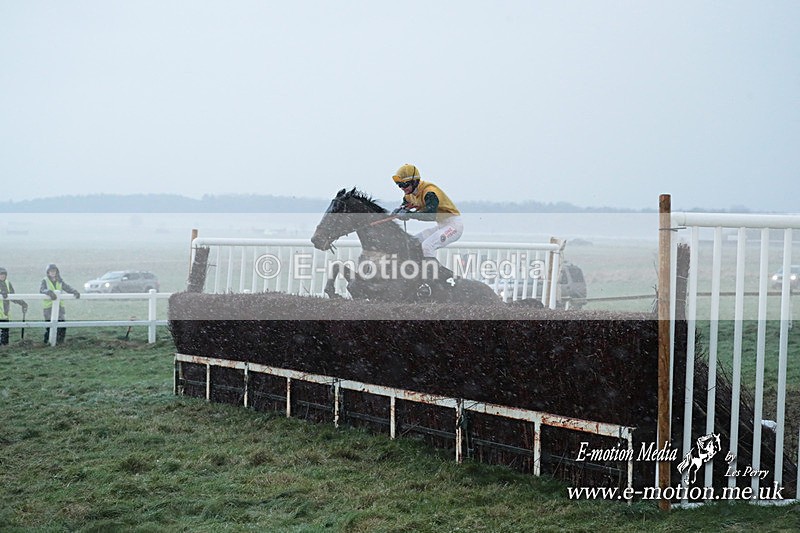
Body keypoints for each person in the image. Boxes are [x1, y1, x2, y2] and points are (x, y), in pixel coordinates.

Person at [391, 164, 462, 290]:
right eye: (399, 185)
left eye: (405, 185)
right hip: (442, 226)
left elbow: (430, 216)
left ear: (415, 181)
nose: (402, 188)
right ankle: (419, 276)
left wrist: (410, 215)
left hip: (454, 225)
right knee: (413, 242)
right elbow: (405, 206)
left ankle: (433, 282)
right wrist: (398, 211)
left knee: (427, 246)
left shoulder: (430, 192)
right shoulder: (409, 194)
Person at [40, 264, 80, 344]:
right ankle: (47, 342)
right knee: (49, 326)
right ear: (48, 272)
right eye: (51, 271)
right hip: (48, 307)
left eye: (54, 271)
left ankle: (60, 342)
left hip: (59, 307)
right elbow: (42, 290)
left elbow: (67, 287)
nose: (53, 273)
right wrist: (49, 292)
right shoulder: (45, 280)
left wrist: (74, 291)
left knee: (62, 325)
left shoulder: (60, 281)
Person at [0, 267, 28, 345]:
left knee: (5, 332)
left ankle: (4, 347)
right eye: (1, 274)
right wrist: (1, 293)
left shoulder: (8, 283)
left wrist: (22, 303)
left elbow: (13, 296)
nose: (2, 276)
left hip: (5, 313)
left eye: (4, 274)